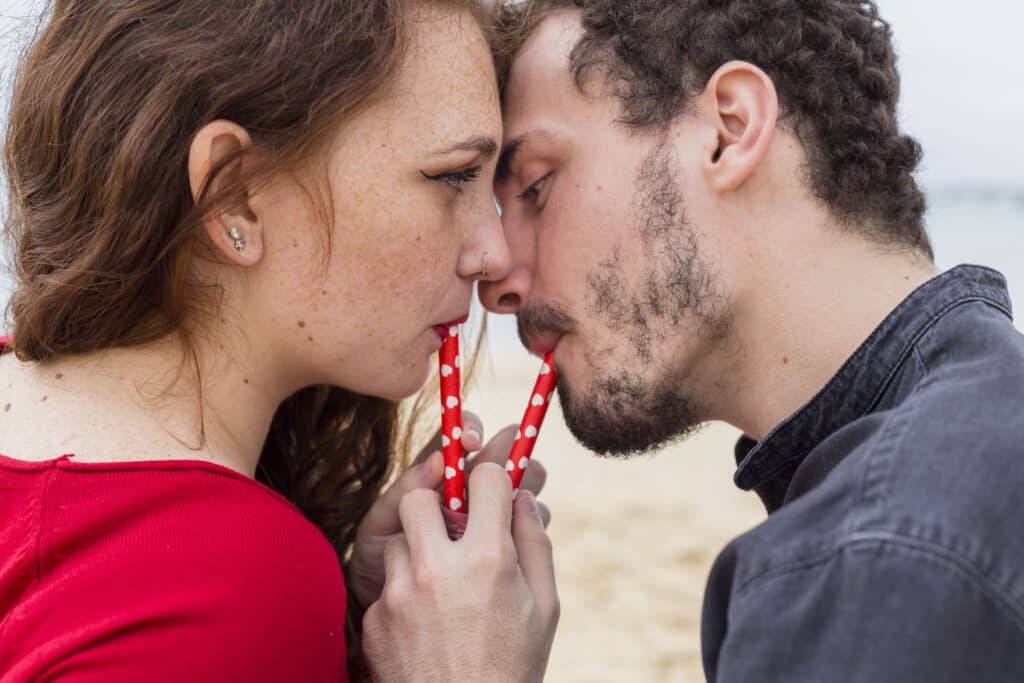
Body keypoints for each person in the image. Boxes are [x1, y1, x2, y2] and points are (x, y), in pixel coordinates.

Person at [0, 1, 558, 681]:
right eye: (451, 177)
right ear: (235, 196)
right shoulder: (240, 579)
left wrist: (345, 640)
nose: (494, 252)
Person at [483, 0, 1024, 680]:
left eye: (535, 185)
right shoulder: (987, 417)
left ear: (730, 130)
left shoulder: (873, 560)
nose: (495, 276)